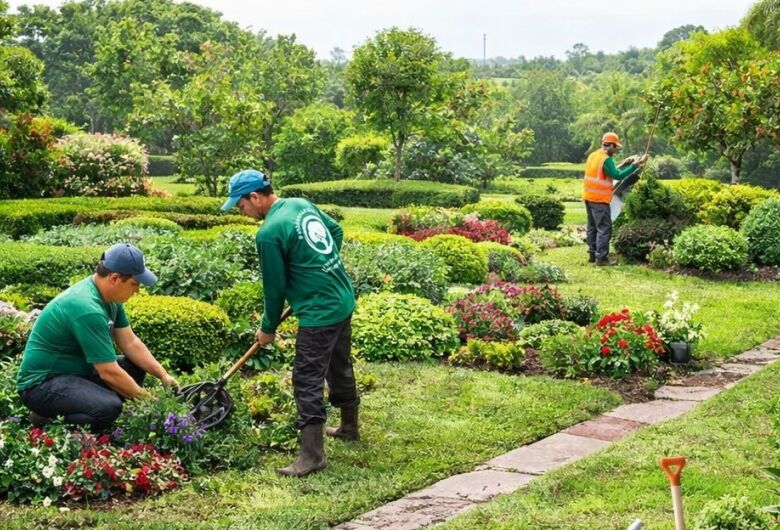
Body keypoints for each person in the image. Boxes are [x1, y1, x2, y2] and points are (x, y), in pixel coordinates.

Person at [222, 169, 359, 477]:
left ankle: (312, 456)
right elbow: (335, 232)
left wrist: (267, 328)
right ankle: (350, 427)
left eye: (240, 205)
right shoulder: (299, 203)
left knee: (306, 377)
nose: (242, 212)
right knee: (339, 364)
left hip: (320, 312)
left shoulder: (269, 233)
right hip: (342, 299)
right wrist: (321, 270)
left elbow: (275, 289)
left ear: (255, 197)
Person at [16, 243, 179, 431]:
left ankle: (74, 406)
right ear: (115, 278)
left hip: (75, 373)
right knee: (109, 407)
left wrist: (163, 374)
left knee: (133, 366)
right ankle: (46, 418)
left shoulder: (109, 298)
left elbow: (130, 342)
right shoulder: (86, 307)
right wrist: (149, 401)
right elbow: (108, 371)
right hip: (42, 385)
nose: (137, 291)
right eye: (134, 284)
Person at [582, 132, 647, 265]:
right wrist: (635, 165)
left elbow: (606, 172)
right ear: (610, 145)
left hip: (589, 197)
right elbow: (617, 175)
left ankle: (593, 255)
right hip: (600, 199)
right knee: (604, 228)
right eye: (615, 147)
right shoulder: (606, 159)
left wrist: (624, 163)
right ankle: (602, 258)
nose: (616, 150)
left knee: (592, 227)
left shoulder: (594, 155)